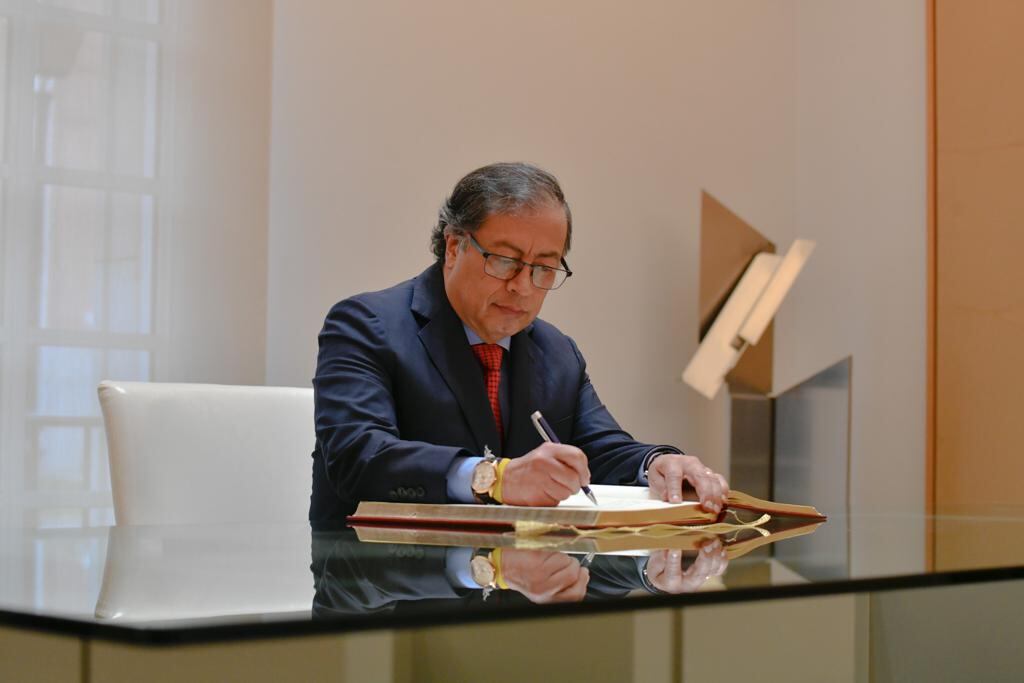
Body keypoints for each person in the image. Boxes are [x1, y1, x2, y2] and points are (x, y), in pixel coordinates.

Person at [310, 162, 728, 522]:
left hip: (519, 588)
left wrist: (658, 464)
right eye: (505, 261)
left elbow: (599, 449)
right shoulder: (366, 325)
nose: (523, 287)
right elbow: (358, 456)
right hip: (383, 588)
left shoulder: (557, 352)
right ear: (454, 247)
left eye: (544, 268)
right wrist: (495, 477)